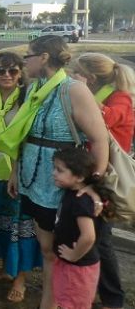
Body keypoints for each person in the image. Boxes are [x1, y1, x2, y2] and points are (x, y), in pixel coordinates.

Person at [0, 35, 109, 309]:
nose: (24, 61)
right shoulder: (37, 87)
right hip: (33, 182)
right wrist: (15, 173)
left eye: (28, 56)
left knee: (66, 250)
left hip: (63, 185)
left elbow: (100, 139)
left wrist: (92, 184)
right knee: (47, 250)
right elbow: (26, 135)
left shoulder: (73, 90)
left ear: (44, 57)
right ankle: (49, 302)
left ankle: (64, 301)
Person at [0, 52, 41, 303]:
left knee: (18, 225)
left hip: (16, 172)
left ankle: (20, 279)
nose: (6, 75)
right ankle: (5, 269)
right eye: (1, 71)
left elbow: (25, 140)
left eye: (13, 71)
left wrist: (14, 172)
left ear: (21, 73)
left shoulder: (27, 99)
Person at [70, 52, 135, 309]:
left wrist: (82, 92)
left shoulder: (119, 98)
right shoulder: (99, 93)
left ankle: (112, 298)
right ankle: (94, 288)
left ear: (91, 77)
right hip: (91, 172)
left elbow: (107, 118)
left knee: (102, 238)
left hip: (106, 176)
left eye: (78, 73)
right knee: (91, 233)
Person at [51, 148, 111, 309]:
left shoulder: (81, 201)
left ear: (79, 177)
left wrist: (73, 255)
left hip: (78, 268)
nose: (54, 173)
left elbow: (89, 236)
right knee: (66, 300)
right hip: (71, 264)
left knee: (73, 303)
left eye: (60, 170)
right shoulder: (72, 192)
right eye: (54, 168)